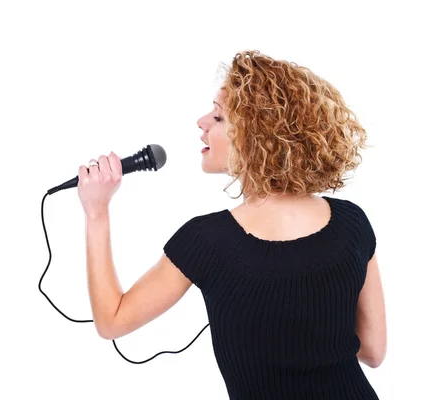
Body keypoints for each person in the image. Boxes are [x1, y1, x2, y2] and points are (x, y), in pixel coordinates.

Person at [77, 50, 387, 399]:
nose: (201, 121)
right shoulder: (352, 222)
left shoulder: (207, 241)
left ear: (258, 136)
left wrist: (96, 212)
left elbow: (112, 320)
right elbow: (373, 351)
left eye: (219, 117)